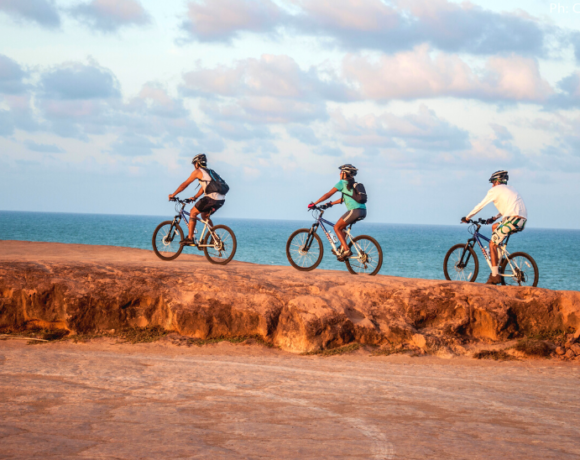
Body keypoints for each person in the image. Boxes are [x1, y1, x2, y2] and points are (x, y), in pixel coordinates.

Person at [461, 170, 528, 285]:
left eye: (493, 182)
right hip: (520, 220)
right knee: (495, 227)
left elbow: (480, 205)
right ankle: (500, 260)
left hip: (512, 220)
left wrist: (467, 217)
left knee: (492, 244)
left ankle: (495, 275)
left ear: (497, 181)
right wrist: (493, 218)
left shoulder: (494, 190)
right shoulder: (511, 189)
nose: (492, 185)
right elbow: (509, 208)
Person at [309, 164, 366, 261]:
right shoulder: (351, 184)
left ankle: (346, 250)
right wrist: (330, 204)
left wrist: (315, 203)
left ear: (344, 174)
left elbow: (328, 194)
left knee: (336, 227)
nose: (339, 174)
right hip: (363, 211)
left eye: (340, 172)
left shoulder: (342, 183)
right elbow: (343, 199)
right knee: (342, 227)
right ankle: (342, 247)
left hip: (354, 211)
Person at [168, 153, 226, 245]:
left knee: (193, 212)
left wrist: (173, 194)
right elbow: (204, 187)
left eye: (194, 163)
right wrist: (195, 197)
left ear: (197, 163)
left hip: (211, 198)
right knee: (204, 216)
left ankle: (190, 238)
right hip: (221, 199)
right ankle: (215, 238)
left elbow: (185, 184)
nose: (194, 166)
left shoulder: (198, 171)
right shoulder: (210, 172)